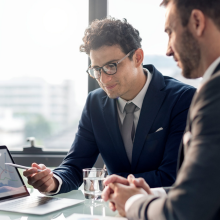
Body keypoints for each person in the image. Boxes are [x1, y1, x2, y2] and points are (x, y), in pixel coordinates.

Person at [23, 18, 195, 194]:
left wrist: (109, 184)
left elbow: (172, 176)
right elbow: (75, 165)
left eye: (111, 66)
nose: (104, 79)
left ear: (137, 57)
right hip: (113, 211)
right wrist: (52, 181)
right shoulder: (94, 103)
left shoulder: (182, 99)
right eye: (97, 69)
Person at [102, 0, 220, 220]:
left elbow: (187, 210)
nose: (167, 50)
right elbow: (207, 190)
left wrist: (131, 202)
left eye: (170, 32)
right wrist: (146, 193)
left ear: (197, 22)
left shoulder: (214, 93)